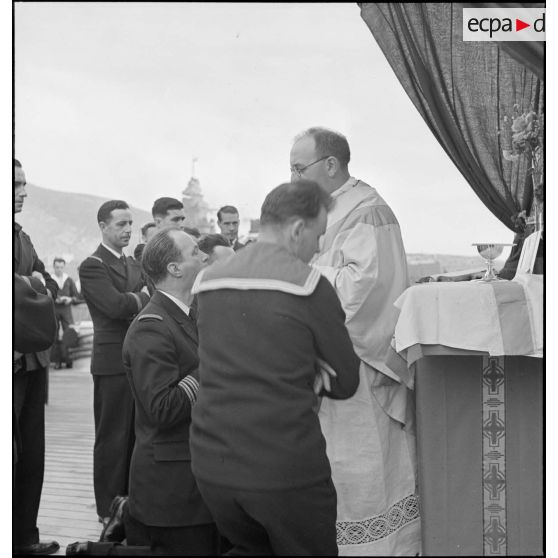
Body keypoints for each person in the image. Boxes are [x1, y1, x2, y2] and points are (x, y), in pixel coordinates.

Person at [190, 180, 361, 556]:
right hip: (282, 467)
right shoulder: (308, 284)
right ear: (298, 229)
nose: (319, 247)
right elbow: (345, 381)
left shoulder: (207, 282)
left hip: (212, 464)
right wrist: (308, 370)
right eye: (318, 235)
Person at [290, 127, 420, 555]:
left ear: (331, 164)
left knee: (366, 463)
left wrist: (301, 280)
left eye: (298, 168)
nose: (293, 179)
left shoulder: (368, 209)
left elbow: (365, 286)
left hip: (359, 361)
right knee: (334, 463)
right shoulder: (321, 207)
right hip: (323, 358)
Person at [120, 228, 218, 556]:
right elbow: (162, 408)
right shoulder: (152, 326)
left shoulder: (185, 316)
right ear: (174, 269)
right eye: (194, 253)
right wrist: (213, 364)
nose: (204, 256)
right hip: (173, 497)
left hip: (195, 487)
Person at [79, 200, 151, 523]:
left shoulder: (132, 265)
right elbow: (114, 306)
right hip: (109, 362)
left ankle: (127, 502)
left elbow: (129, 302)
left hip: (135, 359)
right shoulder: (93, 265)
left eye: (130, 224)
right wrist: (142, 298)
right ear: (103, 226)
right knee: (111, 436)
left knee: (134, 433)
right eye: (120, 224)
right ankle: (107, 507)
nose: (127, 230)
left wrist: (135, 300)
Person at [13, 158, 60, 556]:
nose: (23, 191)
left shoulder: (22, 238)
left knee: (31, 452)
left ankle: (24, 535)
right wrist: (31, 284)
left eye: (24, 183)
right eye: (15, 184)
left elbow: (48, 285)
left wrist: (26, 285)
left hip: (33, 361)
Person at [51, 257, 80, 369]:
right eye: (57, 267)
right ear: (54, 267)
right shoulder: (50, 280)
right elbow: (46, 294)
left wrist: (70, 299)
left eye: (61, 267)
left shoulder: (69, 280)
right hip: (54, 310)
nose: (59, 269)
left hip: (66, 310)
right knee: (54, 335)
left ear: (64, 267)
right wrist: (54, 299)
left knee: (69, 334)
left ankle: (68, 360)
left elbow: (77, 296)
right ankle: (57, 361)